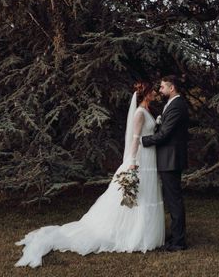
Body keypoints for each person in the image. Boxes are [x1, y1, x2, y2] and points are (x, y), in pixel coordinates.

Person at [14, 82, 164, 268]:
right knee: (136, 197)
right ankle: (134, 235)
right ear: (146, 94)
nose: (156, 93)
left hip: (150, 158)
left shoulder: (147, 110)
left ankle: (146, 235)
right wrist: (132, 161)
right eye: (153, 91)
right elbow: (135, 139)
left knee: (146, 196)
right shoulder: (140, 113)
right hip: (141, 159)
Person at [141, 74, 189, 251]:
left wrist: (144, 141)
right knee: (172, 198)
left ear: (172, 87)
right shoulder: (172, 104)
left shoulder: (177, 105)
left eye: (162, 87)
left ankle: (179, 242)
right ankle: (176, 235)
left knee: (174, 199)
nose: (160, 90)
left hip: (171, 158)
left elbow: (165, 134)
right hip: (169, 157)